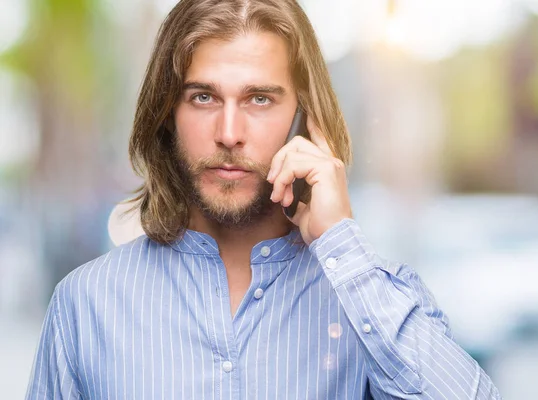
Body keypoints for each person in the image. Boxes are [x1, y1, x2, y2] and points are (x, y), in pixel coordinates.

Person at [26, 0, 501, 398]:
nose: (229, 134)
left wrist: (341, 244)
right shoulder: (85, 305)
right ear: (167, 112)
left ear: (305, 119)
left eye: (259, 99)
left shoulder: (376, 300)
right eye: (203, 97)